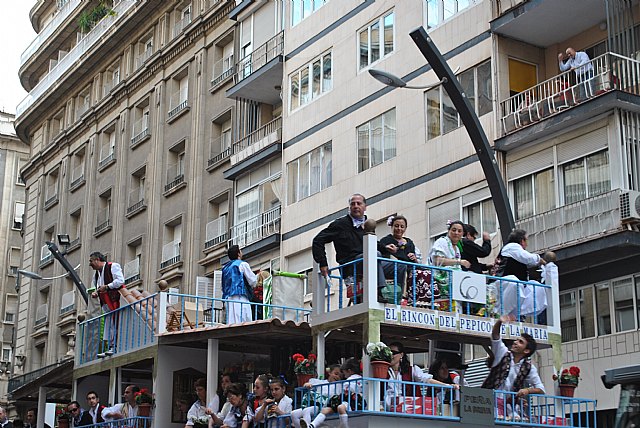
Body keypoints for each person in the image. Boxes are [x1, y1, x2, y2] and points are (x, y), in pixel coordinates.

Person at [312, 194, 391, 303]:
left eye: (359, 203)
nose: (355, 206)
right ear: (349, 207)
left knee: (399, 266)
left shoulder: (366, 225)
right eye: (353, 204)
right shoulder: (340, 224)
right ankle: (380, 291)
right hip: (351, 266)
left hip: (369, 261)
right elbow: (317, 240)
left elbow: (375, 246)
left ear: (365, 207)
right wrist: (323, 263)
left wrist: (387, 249)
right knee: (374, 255)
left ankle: (396, 297)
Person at [482, 314, 545, 419]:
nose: (515, 342)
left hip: (509, 406)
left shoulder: (529, 367)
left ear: (526, 350)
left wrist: (527, 391)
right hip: (488, 401)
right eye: (516, 340)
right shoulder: (502, 353)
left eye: (520, 342)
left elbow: (541, 389)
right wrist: (499, 322)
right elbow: (495, 337)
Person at [386, 342, 457, 412]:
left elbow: (427, 380)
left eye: (393, 352)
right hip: (386, 409)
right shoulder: (383, 370)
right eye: (388, 353)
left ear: (401, 355)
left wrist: (446, 385)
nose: (390, 355)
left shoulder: (412, 370)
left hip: (408, 411)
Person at [493, 229, 547, 318]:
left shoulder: (513, 249)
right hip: (503, 284)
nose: (527, 244)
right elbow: (527, 258)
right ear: (522, 241)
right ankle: (501, 314)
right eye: (526, 240)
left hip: (511, 286)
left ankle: (519, 313)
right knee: (515, 283)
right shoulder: (511, 247)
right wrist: (540, 260)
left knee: (536, 287)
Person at [302, 358, 363, 428]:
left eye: (341, 375)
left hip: (351, 401)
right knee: (324, 410)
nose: (338, 377)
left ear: (349, 371)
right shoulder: (322, 382)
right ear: (329, 373)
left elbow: (352, 391)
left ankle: (345, 426)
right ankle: (311, 425)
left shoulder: (350, 381)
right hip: (341, 402)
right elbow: (309, 384)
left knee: (340, 408)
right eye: (336, 374)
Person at [89, 251, 125, 358]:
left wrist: (107, 286)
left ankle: (115, 346)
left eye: (91, 261)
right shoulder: (96, 275)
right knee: (109, 325)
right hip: (106, 302)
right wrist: (96, 292)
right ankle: (109, 347)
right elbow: (98, 287)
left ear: (97, 260)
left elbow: (120, 281)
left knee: (115, 323)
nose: (90, 264)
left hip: (115, 300)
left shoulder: (112, 266)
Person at [380, 215, 422, 300]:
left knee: (426, 273)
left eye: (402, 226)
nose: (399, 229)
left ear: (405, 228)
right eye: (396, 226)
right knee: (401, 267)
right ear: (392, 227)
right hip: (396, 268)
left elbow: (415, 260)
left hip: (411, 267)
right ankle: (400, 295)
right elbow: (383, 256)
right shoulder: (385, 240)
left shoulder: (409, 242)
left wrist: (414, 258)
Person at [221, 245, 257, 324]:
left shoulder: (225, 268)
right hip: (240, 296)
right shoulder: (242, 264)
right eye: (240, 250)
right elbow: (253, 280)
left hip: (228, 298)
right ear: (238, 254)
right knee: (244, 319)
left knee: (231, 321)